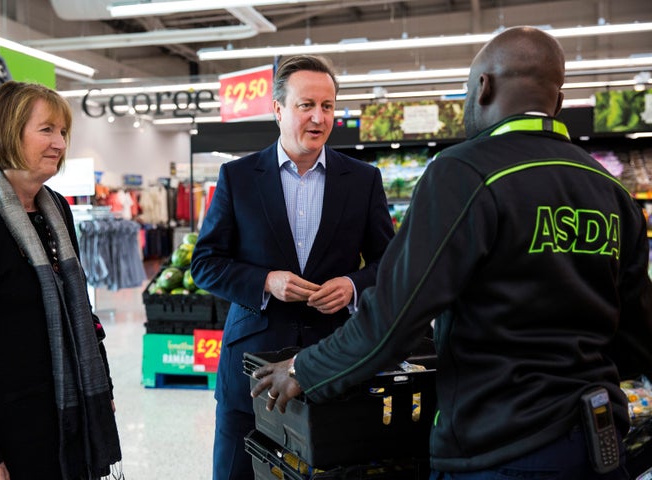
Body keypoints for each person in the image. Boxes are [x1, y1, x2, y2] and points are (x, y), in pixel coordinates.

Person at [251, 26, 652, 479]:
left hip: (499, 448)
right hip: (599, 441)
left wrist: (305, 368)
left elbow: (394, 320)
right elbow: (638, 341)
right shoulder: (612, 192)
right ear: (556, 102)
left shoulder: (464, 173)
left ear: (483, 88)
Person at [190, 54, 394, 479]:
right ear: (279, 110)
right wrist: (265, 281)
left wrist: (353, 285)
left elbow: (388, 264)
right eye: (306, 105)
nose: (319, 117)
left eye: (328, 106)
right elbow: (206, 264)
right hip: (250, 365)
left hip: (331, 363)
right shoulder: (238, 177)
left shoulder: (362, 180)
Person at [0, 81, 122, 480]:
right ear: (7, 132)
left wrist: (102, 386)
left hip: (65, 426)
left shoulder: (57, 211)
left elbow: (81, 311)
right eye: (47, 129)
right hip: (3, 436)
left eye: (63, 131)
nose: (59, 142)